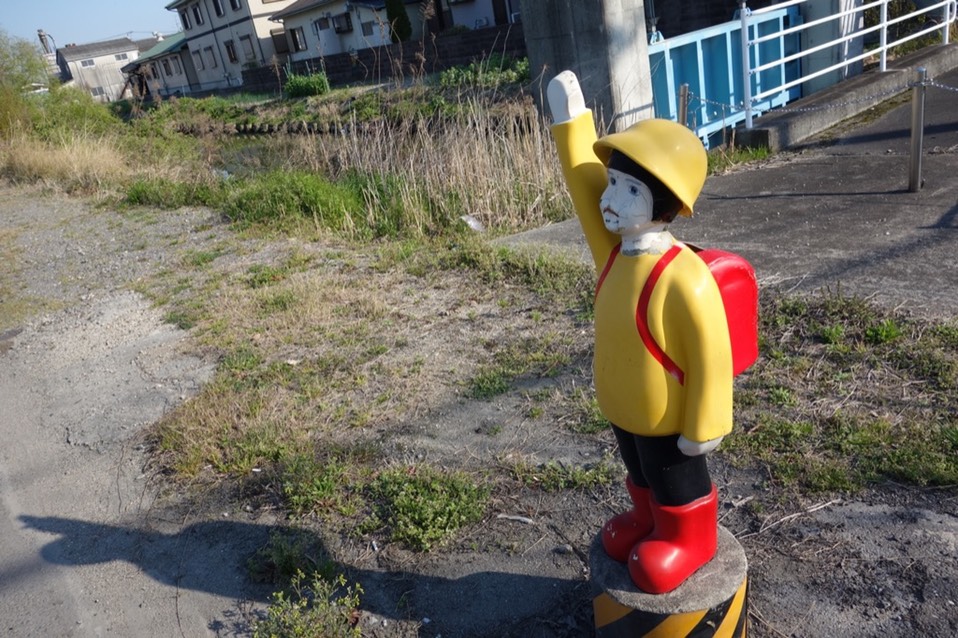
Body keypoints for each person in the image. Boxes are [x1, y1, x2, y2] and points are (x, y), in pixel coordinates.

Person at [547, 70, 734, 594]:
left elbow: (711, 354)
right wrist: (570, 121)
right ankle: (648, 518)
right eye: (614, 183)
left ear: (667, 201)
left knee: (672, 473)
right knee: (638, 467)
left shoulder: (683, 276)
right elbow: (584, 184)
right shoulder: (614, 254)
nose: (610, 199)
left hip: (665, 415)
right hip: (623, 403)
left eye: (630, 190)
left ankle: (689, 536)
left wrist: (706, 422)